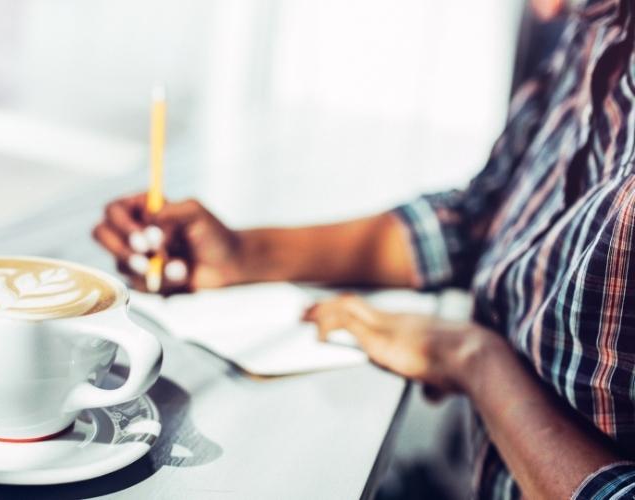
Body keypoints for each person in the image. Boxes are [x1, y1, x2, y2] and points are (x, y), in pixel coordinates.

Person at [94, 0, 635, 497]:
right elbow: (483, 217)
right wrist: (242, 254)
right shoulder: (595, 30)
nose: (542, 11)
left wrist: (479, 364)